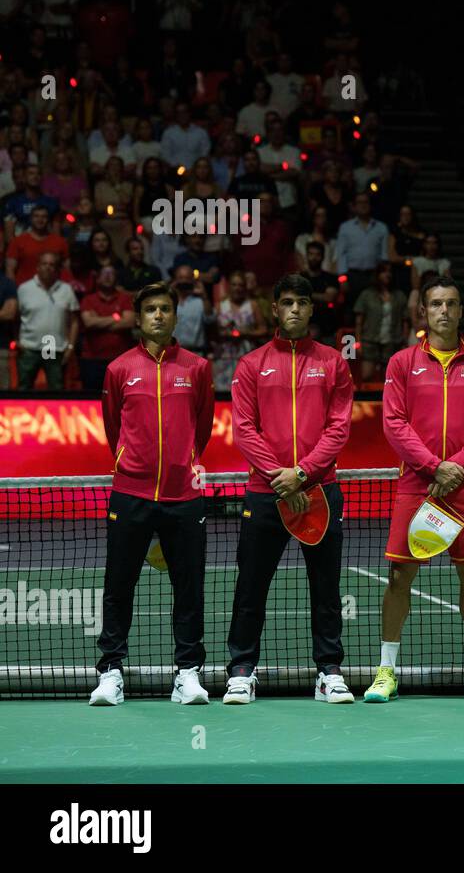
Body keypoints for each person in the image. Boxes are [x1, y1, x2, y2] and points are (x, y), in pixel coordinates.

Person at [366, 274, 464, 703]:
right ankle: (386, 670)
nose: (444, 311)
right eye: (436, 304)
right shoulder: (402, 364)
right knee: (399, 575)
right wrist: (433, 466)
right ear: (423, 313)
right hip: (417, 483)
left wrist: (458, 466)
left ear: (460, 311)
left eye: (451, 303)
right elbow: (394, 422)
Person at [224, 273, 355, 704]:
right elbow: (243, 429)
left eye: (302, 302)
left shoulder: (334, 363)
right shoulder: (251, 365)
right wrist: (281, 477)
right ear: (275, 309)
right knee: (251, 586)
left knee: (326, 587)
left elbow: (338, 429)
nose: (295, 309)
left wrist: (303, 474)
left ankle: (329, 671)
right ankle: (241, 671)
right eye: (287, 302)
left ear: (312, 309)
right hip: (265, 493)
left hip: (320, 490)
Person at [88, 282, 214, 706]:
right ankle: (110, 671)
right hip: (131, 492)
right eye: (150, 310)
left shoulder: (197, 368)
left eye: (165, 309)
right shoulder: (118, 369)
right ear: (138, 319)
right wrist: (129, 459)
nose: (158, 315)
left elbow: (203, 426)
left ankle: (188, 672)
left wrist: (185, 460)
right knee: (119, 583)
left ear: (175, 316)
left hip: (185, 494)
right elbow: (112, 428)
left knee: (189, 585)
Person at [16, 251, 79, 389]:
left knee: (56, 390)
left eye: (52, 264)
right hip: (29, 347)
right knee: (23, 390)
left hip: (53, 347)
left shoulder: (66, 289)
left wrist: (71, 346)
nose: (48, 267)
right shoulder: (24, 289)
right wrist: (16, 341)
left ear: (57, 269)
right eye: (44, 263)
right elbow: (15, 317)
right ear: (38, 266)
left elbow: (74, 321)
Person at [78, 264, 136, 393]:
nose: (108, 277)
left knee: (119, 398)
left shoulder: (125, 298)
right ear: (97, 279)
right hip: (92, 360)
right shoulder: (88, 299)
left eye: (111, 274)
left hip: (120, 360)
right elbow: (89, 323)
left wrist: (99, 320)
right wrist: (116, 318)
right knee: (90, 398)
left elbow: (129, 322)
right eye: (104, 273)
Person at [212, 270, 269, 390]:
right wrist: (222, 332)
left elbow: (264, 329)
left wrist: (247, 333)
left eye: (240, 285)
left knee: (246, 390)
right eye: (234, 284)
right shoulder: (220, 305)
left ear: (245, 287)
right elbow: (212, 331)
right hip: (224, 357)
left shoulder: (252, 305)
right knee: (223, 395)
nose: (237, 288)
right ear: (229, 286)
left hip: (246, 354)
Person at [352, 261, 404, 382]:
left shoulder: (399, 295)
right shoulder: (367, 294)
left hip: (392, 340)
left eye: (390, 272)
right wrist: (358, 340)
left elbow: (404, 320)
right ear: (377, 274)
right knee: (366, 375)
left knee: (389, 378)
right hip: (370, 339)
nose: (387, 274)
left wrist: (404, 340)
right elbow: (359, 321)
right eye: (384, 271)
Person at [6, 205, 69, 284]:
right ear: (31, 219)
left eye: (44, 217)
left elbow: (67, 269)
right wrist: (13, 290)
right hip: (25, 290)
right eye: (36, 216)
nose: (40, 220)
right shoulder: (18, 241)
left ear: (48, 219)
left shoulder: (60, 242)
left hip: (54, 290)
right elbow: (10, 269)